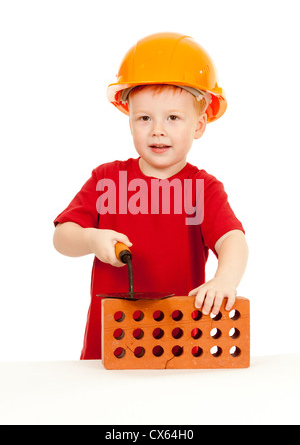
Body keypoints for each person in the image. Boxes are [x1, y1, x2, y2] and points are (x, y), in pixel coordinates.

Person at [53, 33, 248, 360]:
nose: (157, 129)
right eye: (144, 118)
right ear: (129, 120)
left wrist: (224, 279)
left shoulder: (202, 189)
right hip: (110, 346)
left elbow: (233, 240)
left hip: (179, 345)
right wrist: (90, 238)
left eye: (173, 118)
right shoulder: (107, 179)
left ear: (199, 125)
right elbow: (62, 237)